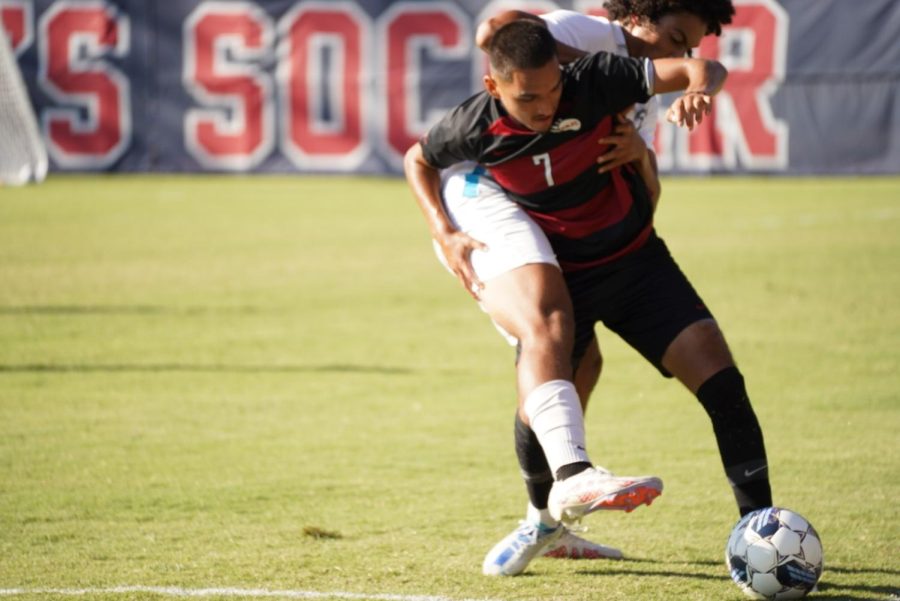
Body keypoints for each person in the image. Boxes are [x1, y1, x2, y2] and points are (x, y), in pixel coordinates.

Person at [405, 19, 748, 577]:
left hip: (585, 233)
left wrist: (686, 101)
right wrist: (442, 231)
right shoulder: (570, 45)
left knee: (578, 362)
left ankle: (548, 520)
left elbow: (688, 97)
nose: (543, 106)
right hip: (480, 190)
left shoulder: (598, 81)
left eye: (552, 88)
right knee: (547, 325)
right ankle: (568, 483)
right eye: (527, 96)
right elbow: (493, 30)